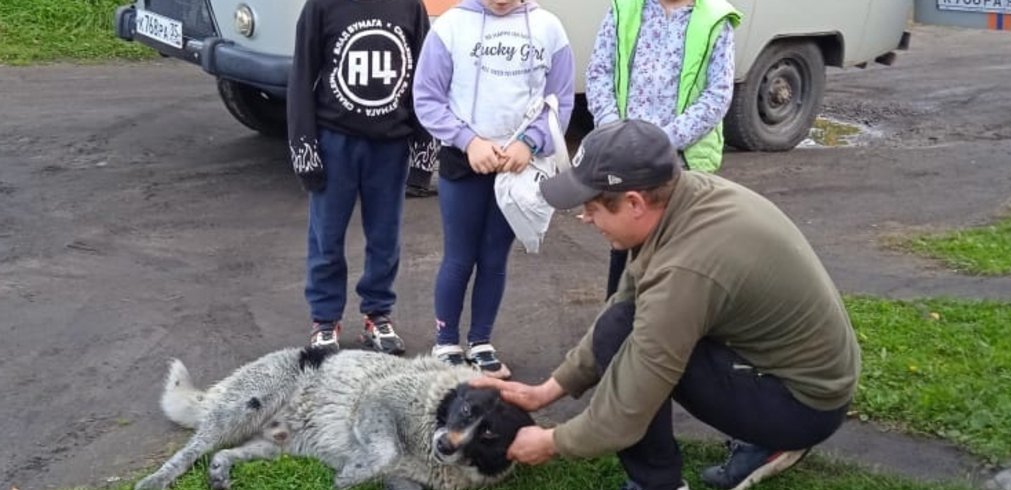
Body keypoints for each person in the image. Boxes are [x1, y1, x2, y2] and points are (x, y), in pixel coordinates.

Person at [476, 120, 861, 490]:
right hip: (798, 378)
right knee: (627, 322)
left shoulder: (685, 269)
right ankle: (766, 438)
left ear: (635, 203)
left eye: (592, 206)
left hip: (804, 406)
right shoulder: (680, 196)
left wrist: (550, 442)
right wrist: (549, 389)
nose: (585, 217)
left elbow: (627, 408)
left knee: (639, 356)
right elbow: (622, 306)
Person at [413, 0, 574, 380]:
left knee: (493, 256)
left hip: (518, 167)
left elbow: (561, 101)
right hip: (464, 162)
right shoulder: (451, 26)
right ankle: (447, 343)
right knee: (459, 255)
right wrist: (468, 141)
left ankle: (481, 341)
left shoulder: (549, 28)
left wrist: (530, 143)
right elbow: (427, 98)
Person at [287, 0, 432, 352]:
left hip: (391, 145)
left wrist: (423, 154)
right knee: (326, 236)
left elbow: (425, 81)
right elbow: (301, 78)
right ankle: (324, 318)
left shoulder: (410, 7)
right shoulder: (321, 6)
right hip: (335, 141)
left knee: (385, 236)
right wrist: (305, 150)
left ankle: (378, 314)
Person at [585, 0, 741, 299]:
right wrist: (616, 134)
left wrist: (661, 143)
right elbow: (599, 73)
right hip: (625, 157)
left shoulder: (714, 19)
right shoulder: (625, 9)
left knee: (674, 256)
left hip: (679, 163)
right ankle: (615, 325)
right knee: (622, 250)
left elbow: (717, 95)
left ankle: (665, 329)